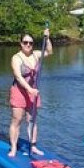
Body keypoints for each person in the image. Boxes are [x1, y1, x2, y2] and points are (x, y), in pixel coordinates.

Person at [8, 28, 52, 157]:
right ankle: (14, 148)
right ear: (21, 43)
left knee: (32, 120)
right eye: (25, 42)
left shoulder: (36, 54)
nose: (28, 45)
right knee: (17, 119)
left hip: (33, 92)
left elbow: (49, 51)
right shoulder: (16, 58)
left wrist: (47, 38)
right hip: (20, 91)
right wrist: (29, 89)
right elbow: (18, 77)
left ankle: (33, 146)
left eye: (31, 43)